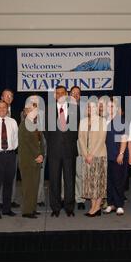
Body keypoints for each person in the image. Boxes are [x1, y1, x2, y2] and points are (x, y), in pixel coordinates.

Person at [45, 85, 79, 217]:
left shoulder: (74, 109)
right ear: (55, 95)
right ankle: (55, 207)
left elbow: (76, 130)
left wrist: (68, 142)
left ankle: (69, 207)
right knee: (54, 180)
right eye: (57, 93)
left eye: (62, 93)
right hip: (54, 151)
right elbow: (46, 131)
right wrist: (55, 142)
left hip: (69, 150)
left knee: (70, 180)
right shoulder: (48, 109)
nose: (60, 95)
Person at [78, 100, 108, 217]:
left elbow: (101, 139)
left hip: (99, 155)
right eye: (89, 107)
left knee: (99, 182)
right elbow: (80, 138)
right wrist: (86, 154)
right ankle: (93, 206)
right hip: (87, 157)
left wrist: (92, 154)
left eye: (94, 107)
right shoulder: (83, 121)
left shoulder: (102, 121)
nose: (91, 109)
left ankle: (97, 207)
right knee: (90, 182)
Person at [18, 97, 45, 219]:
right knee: (28, 187)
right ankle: (27, 211)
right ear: (26, 112)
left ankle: (32, 208)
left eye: (36, 110)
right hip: (28, 161)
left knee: (34, 186)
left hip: (36, 160)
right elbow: (29, 143)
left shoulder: (34, 124)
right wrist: (38, 155)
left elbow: (41, 142)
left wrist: (42, 155)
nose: (35, 112)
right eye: (32, 110)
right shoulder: (24, 124)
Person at [104, 98, 129, 216]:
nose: (110, 108)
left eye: (112, 106)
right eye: (108, 106)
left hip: (117, 155)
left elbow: (124, 138)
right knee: (109, 181)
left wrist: (121, 153)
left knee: (118, 181)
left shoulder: (121, 121)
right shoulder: (104, 121)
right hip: (106, 156)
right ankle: (111, 204)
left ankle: (119, 205)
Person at [69, 86, 86, 210]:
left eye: (78, 93)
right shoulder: (63, 107)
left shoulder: (85, 109)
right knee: (67, 172)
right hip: (66, 144)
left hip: (81, 143)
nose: (75, 95)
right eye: (73, 93)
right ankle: (66, 196)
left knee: (80, 172)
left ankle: (80, 199)